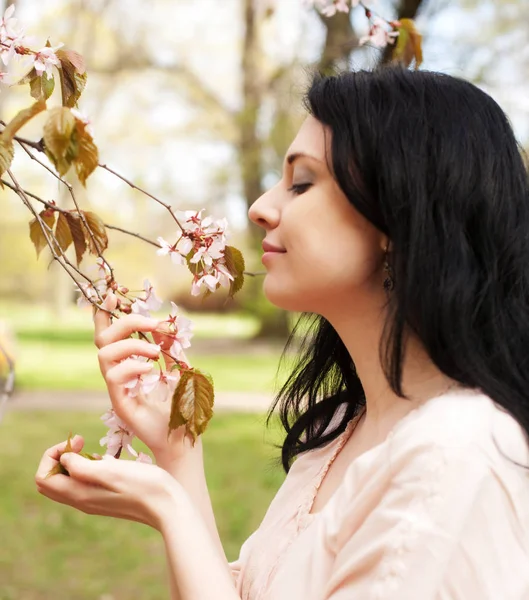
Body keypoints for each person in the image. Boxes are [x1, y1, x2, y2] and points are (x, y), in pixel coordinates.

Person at [35, 66, 529, 599]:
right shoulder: (345, 430)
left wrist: (168, 507)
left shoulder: (452, 461)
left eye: (302, 183)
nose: (260, 208)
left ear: (396, 216)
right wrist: (178, 455)